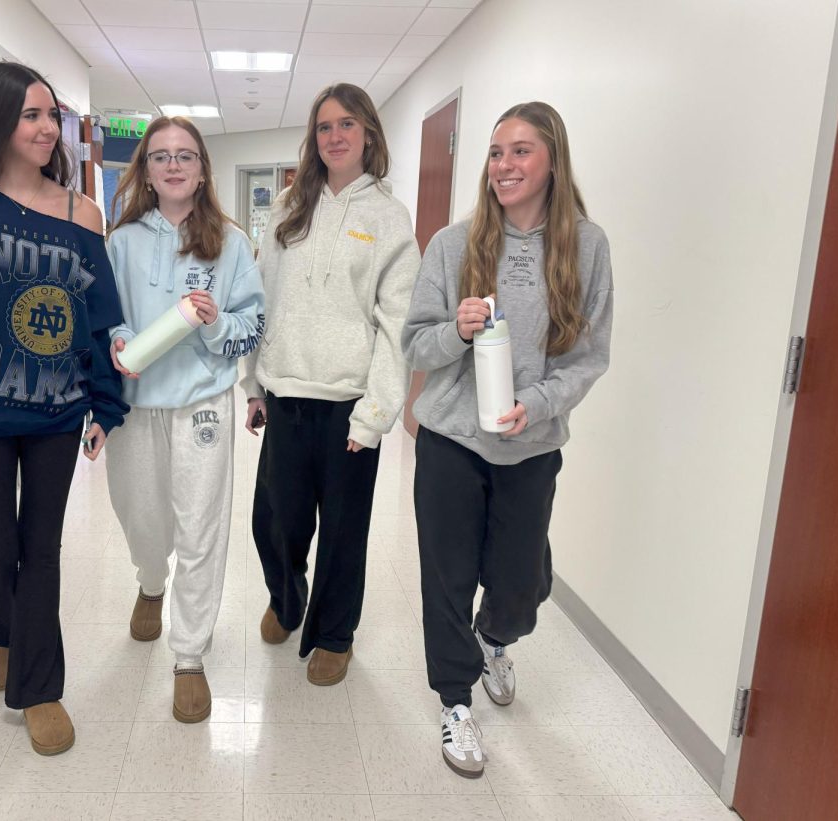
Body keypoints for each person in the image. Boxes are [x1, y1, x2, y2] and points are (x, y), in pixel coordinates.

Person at [0, 62, 128, 756]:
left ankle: (40, 688)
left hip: (54, 414)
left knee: (40, 552)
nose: (45, 129)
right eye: (29, 115)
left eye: (50, 116)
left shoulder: (81, 211)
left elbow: (99, 318)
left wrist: (105, 402)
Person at [402, 101, 614, 777]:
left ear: (553, 159)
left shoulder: (586, 245)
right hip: (450, 441)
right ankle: (455, 700)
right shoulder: (453, 244)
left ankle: (495, 637)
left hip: (531, 443)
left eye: (520, 151)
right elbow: (416, 344)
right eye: (496, 152)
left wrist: (538, 402)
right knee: (447, 576)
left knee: (521, 582)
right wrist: (456, 331)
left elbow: (588, 356)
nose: (504, 165)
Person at [243, 83, 420, 686]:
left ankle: (336, 634)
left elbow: (397, 326)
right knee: (276, 521)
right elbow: (261, 300)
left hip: (348, 406)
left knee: (344, 530)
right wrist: (254, 386)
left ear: (369, 133)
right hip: (287, 394)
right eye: (324, 127)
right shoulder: (291, 205)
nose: (335, 136)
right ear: (313, 138)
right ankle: (288, 600)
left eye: (347, 124)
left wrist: (374, 415)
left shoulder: (389, 218)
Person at [104, 116, 264, 722]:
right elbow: (106, 316)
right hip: (137, 406)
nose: (174, 166)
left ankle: (189, 656)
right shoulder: (120, 243)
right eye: (161, 156)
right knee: (143, 520)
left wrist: (216, 321)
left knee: (201, 529)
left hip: (202, 407)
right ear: (145, 169)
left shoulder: (230, 242)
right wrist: (121, 340)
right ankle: (150, 580)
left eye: (186, 156)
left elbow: (252, 327)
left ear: (202, 170)